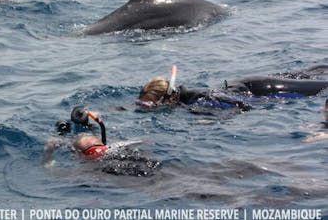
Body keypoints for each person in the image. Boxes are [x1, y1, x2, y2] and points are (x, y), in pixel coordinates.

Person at [138, 65, 328, 111]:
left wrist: (215, 119)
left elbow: (240, 106)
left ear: (169, 99)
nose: (148, 107)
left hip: (260, 89)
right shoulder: (185, 99)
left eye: (152, 103)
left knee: (318, 87)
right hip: (247, 83)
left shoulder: (200, 99)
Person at [44, 106, 160, 176]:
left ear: (78, 155)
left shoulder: (86, 171)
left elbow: (52, 171)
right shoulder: (117, 147)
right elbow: (148, 140)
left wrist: (48, 151)